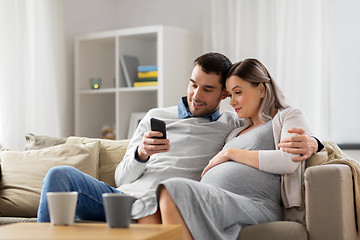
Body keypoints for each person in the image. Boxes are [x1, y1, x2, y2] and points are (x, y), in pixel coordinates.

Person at [37, 53, 320, 223]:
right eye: (193, 84)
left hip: (166, 203)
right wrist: (140, 155)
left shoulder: (232, 124)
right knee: (58, 175)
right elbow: (122, 179)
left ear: (224, 94)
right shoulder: (154, 115)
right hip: (123, 199)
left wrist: (313, 143)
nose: (196, 95)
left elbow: (272, 127)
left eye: (208, 89)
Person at [157, 58, 315, 240]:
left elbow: (288, 161)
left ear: (261, 89)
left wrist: (230, 153)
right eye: (230, 95)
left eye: (238, 92)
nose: (232, 102)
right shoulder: (236, 130)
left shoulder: (287, 116)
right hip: (220, 200)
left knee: (172, 188)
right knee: (155, 201)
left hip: (255, 204)